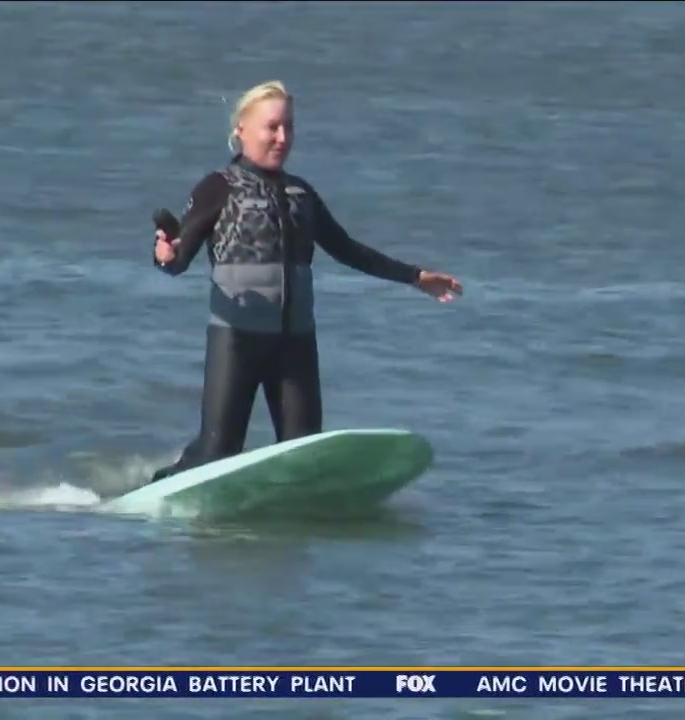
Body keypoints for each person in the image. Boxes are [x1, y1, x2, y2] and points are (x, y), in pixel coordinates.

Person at [147, 80, 463, 482]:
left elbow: (346, 248)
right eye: (272, 127)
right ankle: (158, 486)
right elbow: (178, 260)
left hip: (294, 343)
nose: (283, 138)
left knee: (302, 453)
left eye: (289, 127)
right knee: (217, 452)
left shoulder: (301, 193)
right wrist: (165, 257)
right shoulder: (218, 187)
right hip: (236, 339)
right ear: (241, 129)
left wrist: (415, 277)